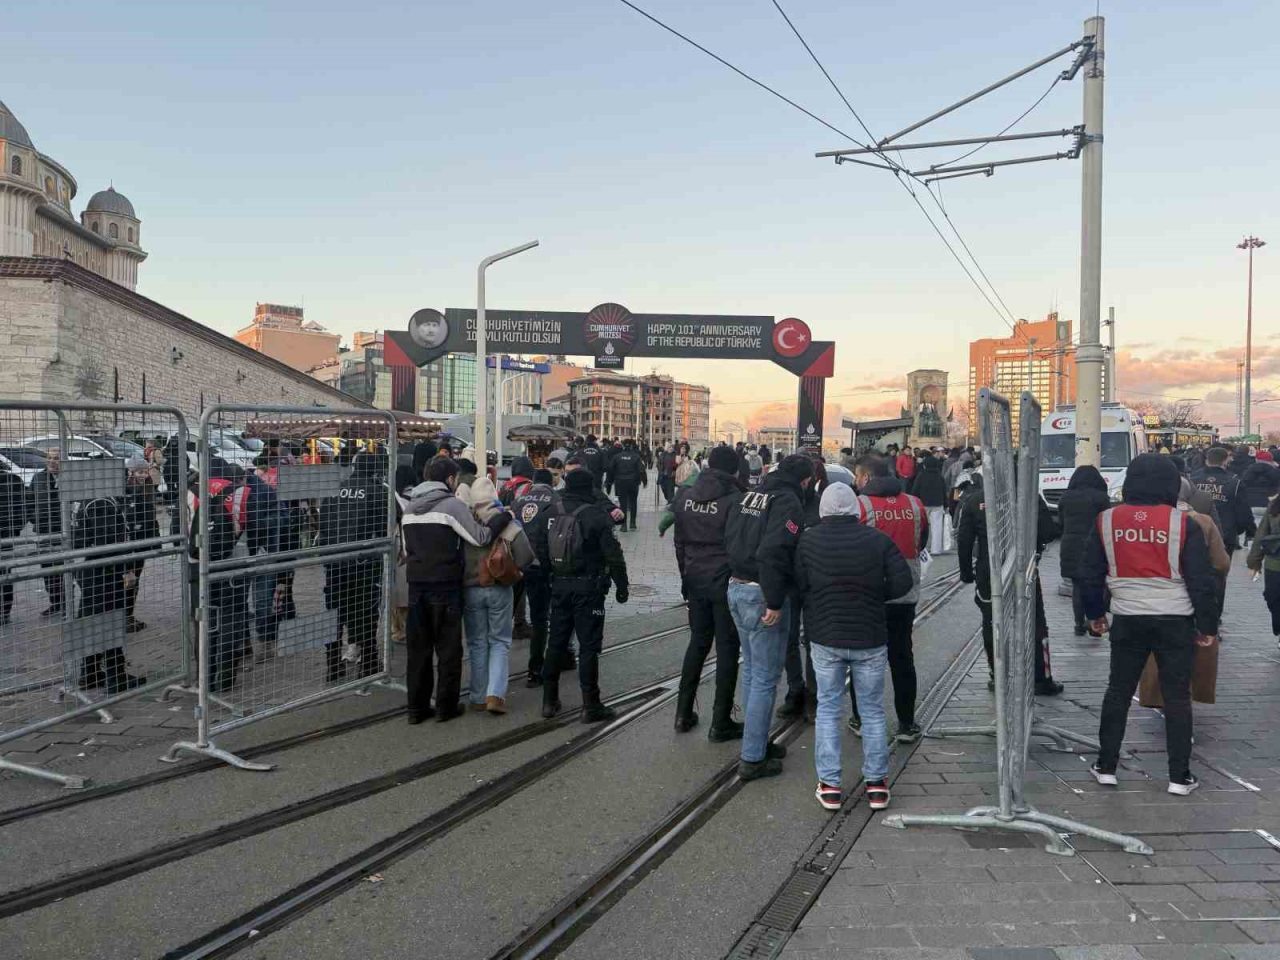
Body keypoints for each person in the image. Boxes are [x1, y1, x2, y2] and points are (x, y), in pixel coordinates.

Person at [1078, 454, 1219, 796]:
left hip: (1128, 618)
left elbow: (1089, 574)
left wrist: (1095, 614)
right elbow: (1201, 580)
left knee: (1118, 691)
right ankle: (1179, 776)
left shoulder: (1106, 521)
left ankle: (1107, 766)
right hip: (1175, 619)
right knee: (1177, 697)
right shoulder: (1183, 523)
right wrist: (1207, 625)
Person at [796, 483, 914, 811]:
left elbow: (799, 582)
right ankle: (877, 785)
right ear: (855, 509)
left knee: (829, 709)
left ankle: (830, 785)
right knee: (873, 710)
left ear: (823, 510)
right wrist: (876, 597)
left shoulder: (808, 541)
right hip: (870, 636)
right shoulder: (878, 541)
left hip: (826, 636)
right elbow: (904, 582)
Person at [400, 457, 510, 724]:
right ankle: (446, 707)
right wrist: (503, 517)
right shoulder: (452, 505)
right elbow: (480, 537)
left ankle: (417, 709)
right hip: (446, 586)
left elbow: (406, 550)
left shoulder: (409, 509)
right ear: (450, 480)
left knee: (418, 650)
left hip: (416, 586)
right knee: (448, 649)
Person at [725, 454, 813, 781]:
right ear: (805, 480)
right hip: (763, 593)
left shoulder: (751, 493)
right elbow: (774, 551)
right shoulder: (788, 501)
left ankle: (756, 740)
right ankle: (753, 758)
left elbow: (730, 536)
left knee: (751, 670)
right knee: (764, 677)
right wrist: (775, 601)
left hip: (736, 586)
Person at [956, 472, 1063, 694]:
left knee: (992, 622)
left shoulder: (975, 500)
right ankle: (1041, 678)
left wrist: (966, 572)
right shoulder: (1030, 497)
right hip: (1024, 568)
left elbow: (964, 540)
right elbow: (1049, 531)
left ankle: (998, 675)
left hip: (990, 570)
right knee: (1034, 622)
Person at [847, 454, 928, 741]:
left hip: (869, 595)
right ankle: (907, 723)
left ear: (866, 478)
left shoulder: (860, 506)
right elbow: (923, 542)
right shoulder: (915, 504)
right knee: (902, 657)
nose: (855, 482)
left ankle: (860, 718)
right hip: (906, 593)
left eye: (857, 477)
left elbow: (852, 547)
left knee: (863, 659)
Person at [541, 467, 629, 722]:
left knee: (556, 642)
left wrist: (550, 577)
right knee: (589, 646)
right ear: (589, 488)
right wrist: (622, 586)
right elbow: (614, 555)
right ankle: (590, 705)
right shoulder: (595, 515)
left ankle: (549, 700)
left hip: (559, 587)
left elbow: (539, 546)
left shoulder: (551, 512)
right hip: (589, 590)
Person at [670, 446, 745, 739]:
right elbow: (739, 546)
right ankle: (720, 720)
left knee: (697, 645)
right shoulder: (735, 500)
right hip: (724, 582)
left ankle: (683, 712)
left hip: (695, 578)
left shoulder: (685, 497)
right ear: (734, 470)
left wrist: (685, 576)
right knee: (727, 650)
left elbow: (679, 543)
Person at [461, 476, 533, 714]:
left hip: (471, 590)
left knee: (477, 643)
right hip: (500, 589)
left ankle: (478, 696)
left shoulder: (465, 523)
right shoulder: (506, 522)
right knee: (500, 641)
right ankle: (495, 696)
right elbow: (526, 556)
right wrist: (514, 571)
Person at [316, 449, 389, 684]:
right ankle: (368, 662)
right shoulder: (378, 492)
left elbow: (323, 527)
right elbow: (385, 529)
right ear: (376, 470)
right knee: (365, 613)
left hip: (334, 564)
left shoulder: (333, 490)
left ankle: (332, 665)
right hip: (364, 564)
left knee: (334, 616)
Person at [73, 492, 147, 693]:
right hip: (103, 572)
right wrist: (125, 570)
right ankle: (116, 676)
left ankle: (90, 673)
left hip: (93, 570)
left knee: (95, 621)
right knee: (109, 620)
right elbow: (108, 541)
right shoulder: (101, 502)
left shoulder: (91, 500)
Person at [1191, 446, 1255, 614]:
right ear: (1226, 460)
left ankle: (1196, 612)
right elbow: (1243, 511)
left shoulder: (1193, 479)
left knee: (1194, 572)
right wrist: (1242, 530)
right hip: (1224, 535)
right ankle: (1215, 613)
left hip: (1195, 533)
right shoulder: (1234, 481)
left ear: (1206, 459)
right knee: (1219, 576)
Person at [513, 469, 559, 686]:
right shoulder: (556, 501)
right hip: (543, 567)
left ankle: (503, 671)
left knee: (509, 618)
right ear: (552, 482)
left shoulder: (519, 501)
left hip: (518, 565)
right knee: (542, 619)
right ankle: (537, 669)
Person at [1056, 466, 1112, 636]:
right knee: (1097, 584)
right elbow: (1106, 522)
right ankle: (1095, 623)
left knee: (1078, 587)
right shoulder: (1101, 498)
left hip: (1070, 546)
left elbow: (1061, 523)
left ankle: (1079, 624)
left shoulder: (1066, 498)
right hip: (1095, 546)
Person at [121, 457, 160, 633]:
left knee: (134, 580)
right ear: (131, 473)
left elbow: (151, 519)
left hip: (141, 543)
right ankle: (124, 617)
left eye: (145, 471)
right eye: (139, 472)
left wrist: (155, 542)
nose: (143, 475)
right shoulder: (128, 492)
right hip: (129, 543)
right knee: (128, 580)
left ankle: (128, 615)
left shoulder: (147, 489)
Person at [29, 449, 65, 616]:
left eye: (56, 458)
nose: (52, 461)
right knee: (47, 568)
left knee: (63, 567)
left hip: (63, 530)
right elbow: (29, 501)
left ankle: (67, 603)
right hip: (43, 530)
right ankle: (56, 602)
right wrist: (34, 519)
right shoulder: (38, 478)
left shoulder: (69, 478)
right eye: (49, 458)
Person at [1247, 491, 1280, 644]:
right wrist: (1254, 561)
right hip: (1275, 564)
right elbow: (1262, 533)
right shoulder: (1274, 504)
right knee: (1273, 598)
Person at [0, 465, 26, 625]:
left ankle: (4, 612)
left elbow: (23, 507)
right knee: (5, 572)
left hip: (5, 534)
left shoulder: (12, 480)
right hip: (7, 533)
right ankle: (4, 612)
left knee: (5, 573)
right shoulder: (12, 480)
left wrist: (15, 528)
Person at [909, 453, 949, 554]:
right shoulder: (940, 476)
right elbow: (944, 491)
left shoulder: (921, 475)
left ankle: (920, 548)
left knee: (921, 527)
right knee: (937, 527)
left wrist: (913, 502)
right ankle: (936, 549)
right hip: (937, 504)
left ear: (925, 465)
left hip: (923, 504)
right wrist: (946, 504)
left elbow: (915, 490)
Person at [606, 438, 647, 531]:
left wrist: (609, 483)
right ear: (632, 446)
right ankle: (632, 523)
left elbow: (610, 470)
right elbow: (642, 470)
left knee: (623, 503)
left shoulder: (617, 457)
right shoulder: (636, 457)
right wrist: (645, 481)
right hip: (633, 482)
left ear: (623, 446)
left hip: (620, 482)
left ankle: (624, 525)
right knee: (633, 502)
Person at [1240, 449, 1280, 527]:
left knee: (1252, 527)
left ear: (1256, 459)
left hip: (1250, 503)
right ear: (1271, 460)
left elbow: (1242, 486)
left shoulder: (1248, 471)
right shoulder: (1276, 472)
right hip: (1269, 503)